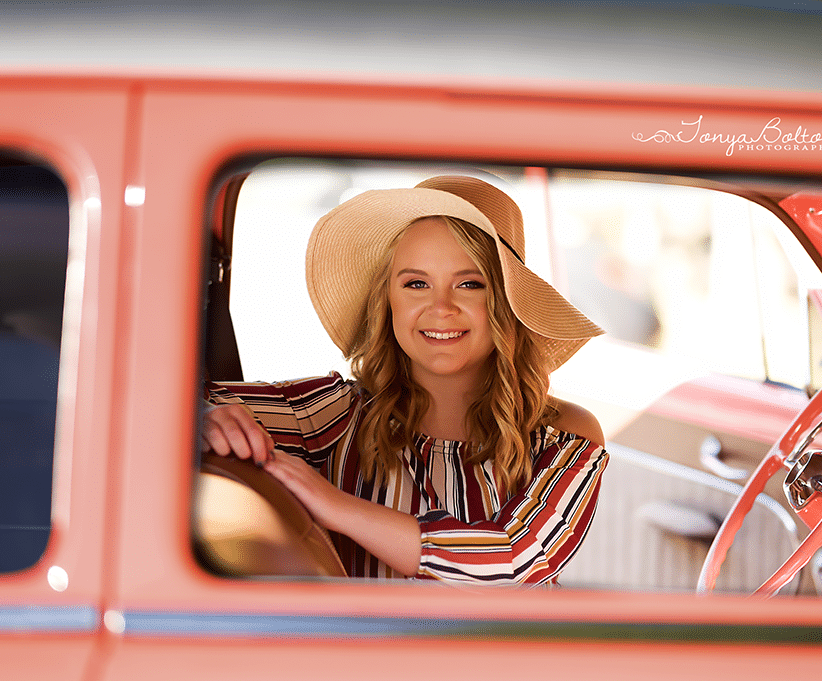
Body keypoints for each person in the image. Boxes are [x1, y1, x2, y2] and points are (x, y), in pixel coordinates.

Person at [202, 175, 608, 585]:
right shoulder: (328, 413)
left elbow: (517, 560)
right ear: (389, 301)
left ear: (507, 303)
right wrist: (200, 418)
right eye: (416, 283)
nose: (441, 307)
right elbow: (158, 399)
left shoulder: (564, 434)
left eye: (469, 283)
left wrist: (336, 507)